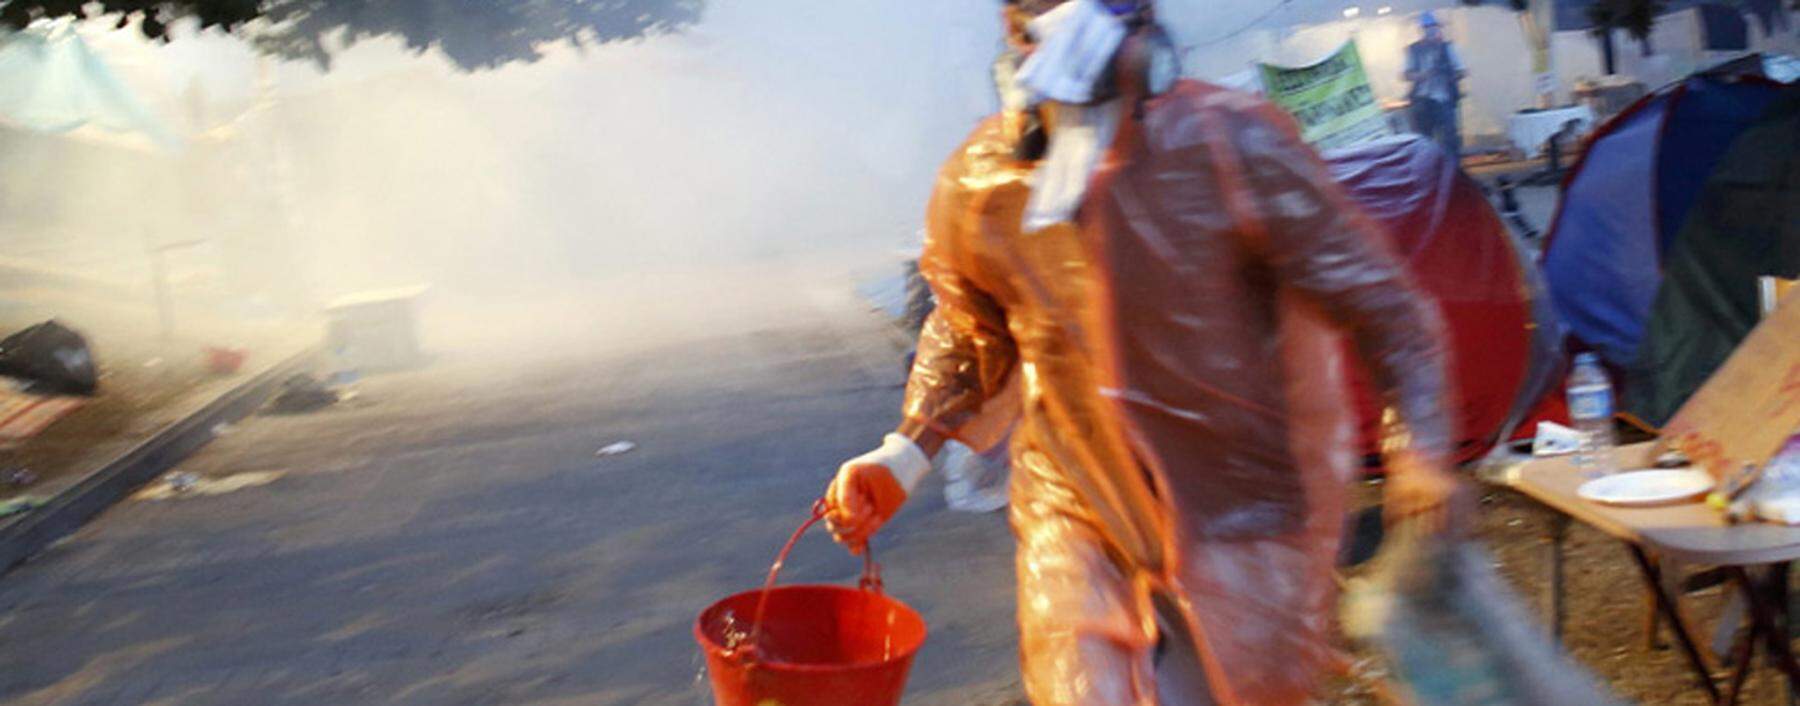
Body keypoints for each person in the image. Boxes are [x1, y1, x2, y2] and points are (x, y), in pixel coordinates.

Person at [824, 0, 1463, 703]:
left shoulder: (1232, 148)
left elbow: (1384, 307)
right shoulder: (985, 182)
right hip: (1076, 504)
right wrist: (905, 450)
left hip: (1241, 508)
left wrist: (1423, 451)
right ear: (1016, 40)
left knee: (1245, 688)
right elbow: (968, 322)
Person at [1404, 12, 1467, 158]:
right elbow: (1406, 74)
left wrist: (1449, 76)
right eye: (1427, 28)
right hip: (1423, 100)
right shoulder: (1413, 49)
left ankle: (1452, 169)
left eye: (1433, 27)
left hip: (1444, 99)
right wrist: (1421, 76)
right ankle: (1429, 169)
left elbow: (1461, 71)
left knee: (1449, 138)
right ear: (1422, 30)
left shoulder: (1448, 48)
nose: (1430, 31)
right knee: (1424, 139)